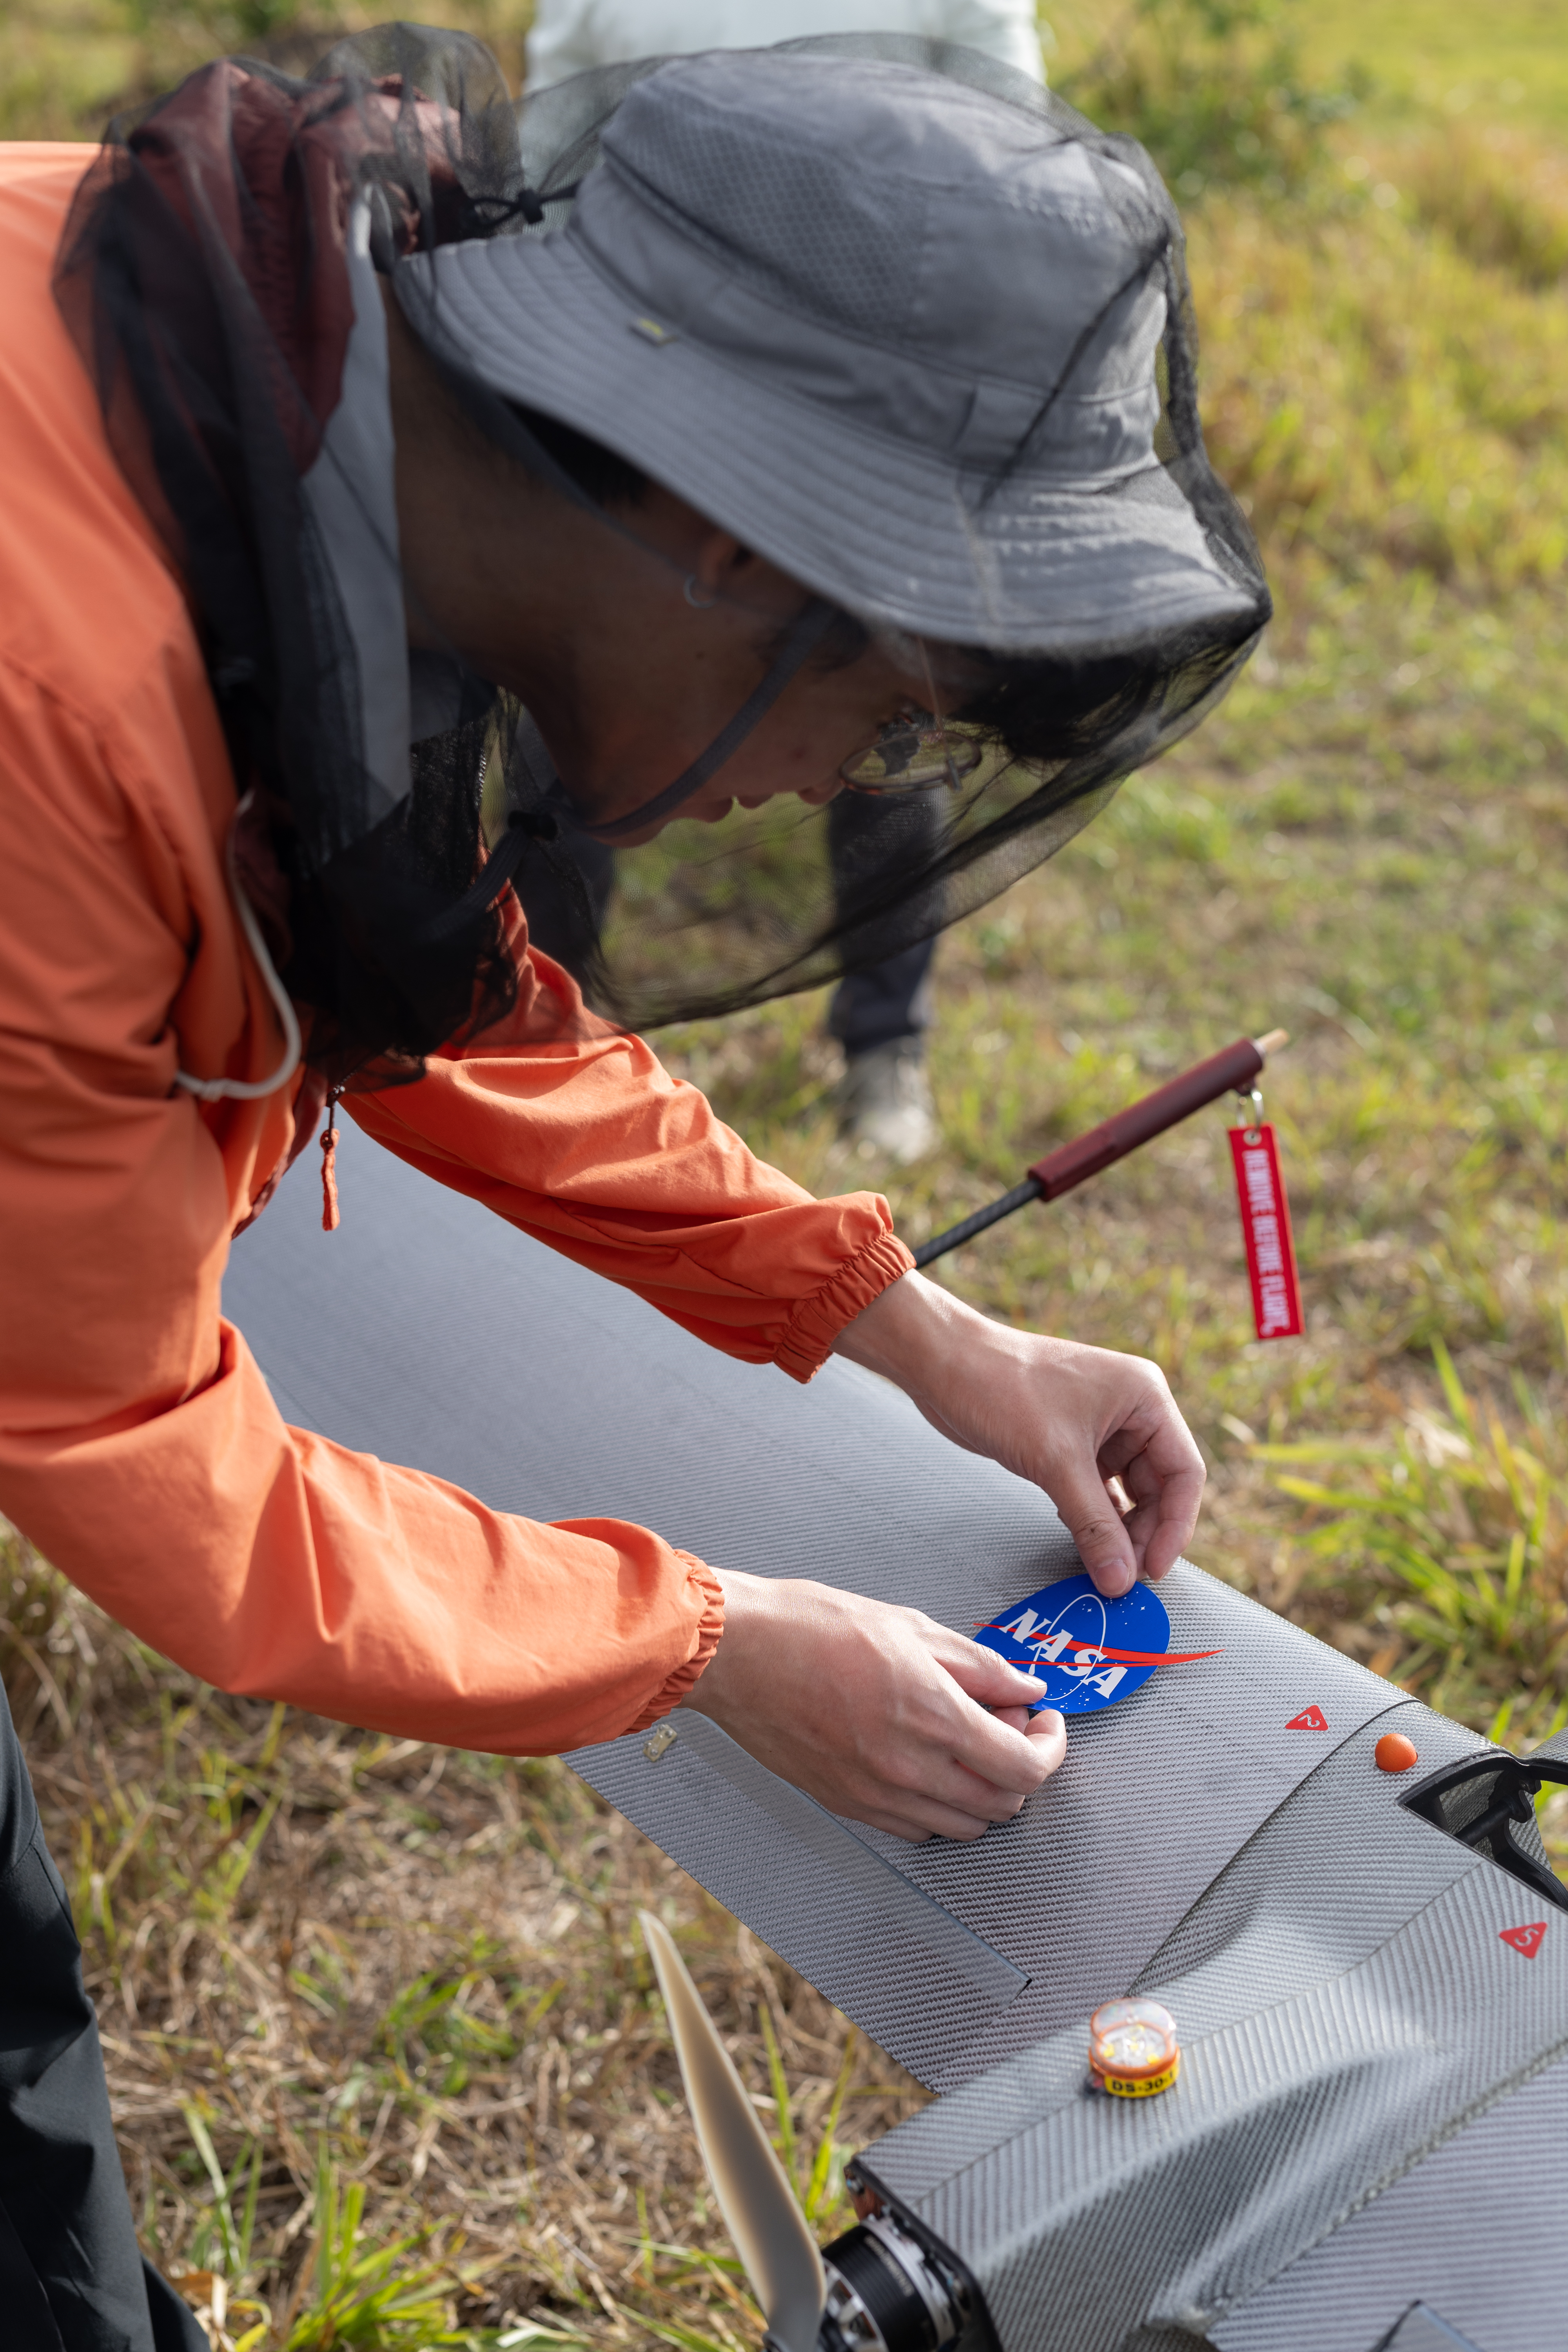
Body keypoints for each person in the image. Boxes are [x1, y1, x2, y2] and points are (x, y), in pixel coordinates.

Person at [0, 26, 1267, 2343]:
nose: (830, 791)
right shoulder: (41, 693)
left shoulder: (291, 401)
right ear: (714, 534)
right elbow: (140, 1450)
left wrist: (916, 1326)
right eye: (871, 717)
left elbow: (430, 977)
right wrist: (708, 1640)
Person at [524, 0, 1050, 1160]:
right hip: (638, 389)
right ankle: (541, 1046)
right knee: (572, 708)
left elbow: (1014, 157)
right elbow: (548, 150)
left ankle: (883, 1047)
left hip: (875, 395)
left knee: (886, 721)